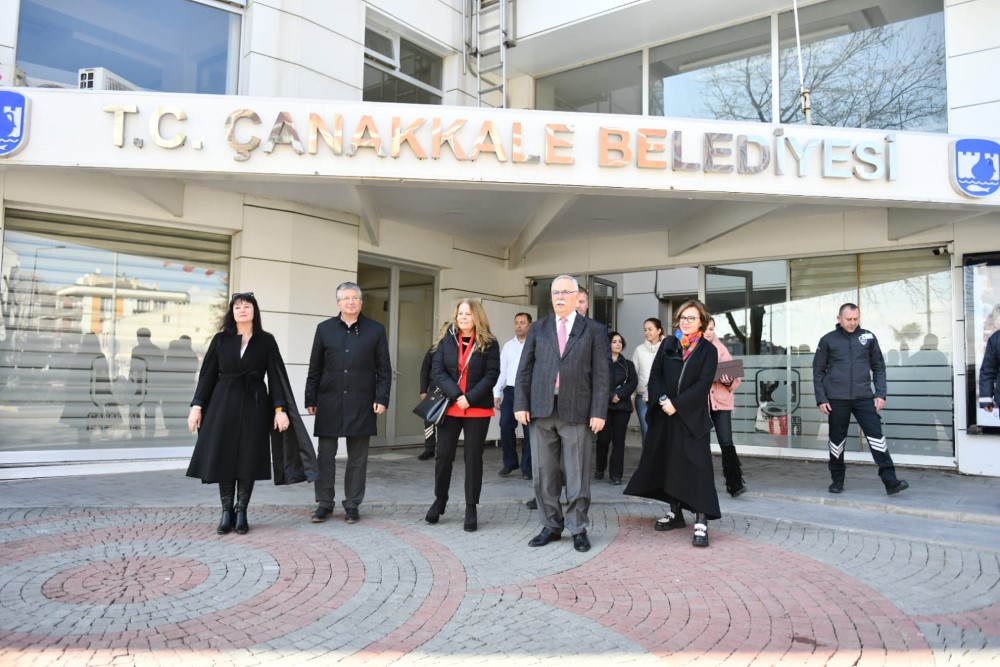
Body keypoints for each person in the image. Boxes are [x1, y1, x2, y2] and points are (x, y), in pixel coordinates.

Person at [515, 275, 610, 553]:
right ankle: (551, 525)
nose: (559, 297)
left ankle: (578, 527)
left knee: (577, 474)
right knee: (544, 473)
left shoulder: (594, 330)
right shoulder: (538, 328)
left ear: (576, 296)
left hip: (578, 410)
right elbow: (524, 369)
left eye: (565, 292)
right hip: (541, 410)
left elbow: (602, 375)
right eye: (555, 292)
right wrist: (520, 404)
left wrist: (599, 411)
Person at [186, 292, 292, 535]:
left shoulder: (266, 341)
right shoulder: (221, 340)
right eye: (237, 307)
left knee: (248, 456)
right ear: (232, 313)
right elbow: (207, 375)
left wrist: (280, 409)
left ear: (254, 311)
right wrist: (197, 406)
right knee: (224, 455)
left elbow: (276, 377)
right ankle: (226, 511)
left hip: (255, 404)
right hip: (223, 404)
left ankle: (241, 510)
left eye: (246, 306)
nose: (242, 310)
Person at [624, 300, 719, 548]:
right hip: (666, 414)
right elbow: (655, 375)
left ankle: (701, 520)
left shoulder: (708, 350)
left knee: (698, 468)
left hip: (692, 417)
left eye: (691, 318)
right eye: (683, 318)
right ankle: (675, 513)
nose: (686, 322)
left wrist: (677, 404)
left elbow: (703, 384)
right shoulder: (668, 344)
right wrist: (663, 400)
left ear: (702, 322)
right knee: (670, 464)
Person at [306, 281, 392, 525]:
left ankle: (352, 504)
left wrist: (381, 397)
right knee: (325, 455)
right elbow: (315, 367)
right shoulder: (324, 329)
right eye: (346, 298)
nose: (351, 302)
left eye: (355, 298)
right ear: (338, 303)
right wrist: (310, 398)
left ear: (361, 302)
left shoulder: (375, 330)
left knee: (358, 458)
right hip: (329, 400)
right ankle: (324, 503)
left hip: (362, 401)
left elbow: (384, 369)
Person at [813, 303, 909, 496]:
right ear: (839, 318)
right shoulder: (827, 340)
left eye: (856, 319)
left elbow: (879, 367)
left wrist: (880, 393)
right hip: (837, 399)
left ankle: (890, 481)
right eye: (848, 319)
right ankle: (837, 480)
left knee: (877, 438)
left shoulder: (868, 337)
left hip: (864, 398)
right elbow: (818, 371)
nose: (853, 322)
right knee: (837, 441)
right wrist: (821, 399)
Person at [425, 299, 500, 532]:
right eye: (460, 313)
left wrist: (470, 397)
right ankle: (440, 499)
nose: (463, 317)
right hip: (451, 405)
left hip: (477, 407)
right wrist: (457, 395)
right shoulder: (446, 340)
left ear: (477, 316)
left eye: (467, 313)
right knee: (443, 455)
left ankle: (471, 506)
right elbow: (437, 371)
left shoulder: (489, 342)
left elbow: (492, 375)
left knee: (473, 457)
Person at [705, 317, 746, 497]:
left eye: (711, 329)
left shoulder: (720, 348)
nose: (709, 332)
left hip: (721, 402)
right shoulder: (691, 348)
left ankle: (735, 484)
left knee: (726, 441)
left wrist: (728, 380)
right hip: (700, 403)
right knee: (701, 444)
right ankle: (702, 484)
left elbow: (735, 378)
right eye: (705, 329)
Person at [494, 312, 533, 478]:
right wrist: (497, 392)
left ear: (530, 325)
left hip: (530, 391)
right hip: (510, 391)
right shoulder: (508, 346)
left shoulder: (535, 344)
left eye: (522, 322)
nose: (519, 326)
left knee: (529, 431)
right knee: (505, 425)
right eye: (516, 322)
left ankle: (527, 468)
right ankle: (510, 463)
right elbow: (502, 371)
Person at [595, 331, 637, 485]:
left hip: (622, 407)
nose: (618, 344)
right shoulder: (599, 363)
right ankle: (600, 468)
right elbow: (596, 382)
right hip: (604, 407)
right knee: (603, 439)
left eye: (620, 341)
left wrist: (619, 394)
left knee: (619, 441)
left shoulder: (628, 364)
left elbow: (633, 382)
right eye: (614, 341)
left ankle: (616, 475)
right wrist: (610, 396)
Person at [631, 317, 664, 446]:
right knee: (646, 431)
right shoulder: (639, 350)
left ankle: (660, 458)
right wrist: (632, 396)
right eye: (645, 330)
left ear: (659, 330)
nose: (647, 332)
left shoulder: (666, 349)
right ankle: (647, 459)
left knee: (661, 431)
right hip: (642, 396)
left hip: (662, 397)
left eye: (650, 329)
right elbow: (633, 374)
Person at [128, 327, 162, 437]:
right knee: (150, 414)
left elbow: (133, 370)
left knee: (134, 412)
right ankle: (149, 437)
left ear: (140, 337)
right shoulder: (157, 350)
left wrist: (130, 384)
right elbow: (160, 371)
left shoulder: (137, 350)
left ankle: (136, 435)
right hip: (152, 388)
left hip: (138, 387)